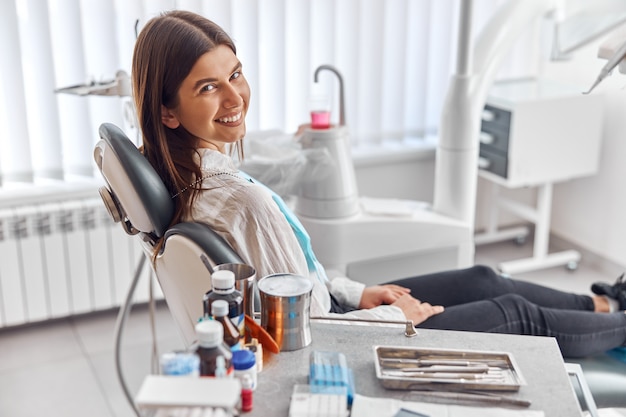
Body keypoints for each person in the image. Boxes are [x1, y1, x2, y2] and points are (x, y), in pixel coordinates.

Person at [131, 10, 626, 358]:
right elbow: (313, 333)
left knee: (483, 279)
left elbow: (307, 284)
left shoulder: (186, 178)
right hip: (346, 345)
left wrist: (359, 291)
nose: (235, 96)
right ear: (167, 111)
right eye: (207, 87)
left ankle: (608, 301)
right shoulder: (244, 201)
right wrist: (395, 315)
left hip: (337, 310)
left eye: (234, 74)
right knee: (516, 313)